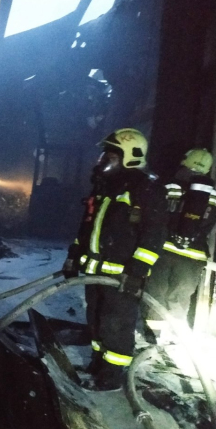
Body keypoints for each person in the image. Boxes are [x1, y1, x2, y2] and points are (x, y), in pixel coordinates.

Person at [63, 128, 167, 391]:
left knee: (116, 324)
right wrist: (73, 256)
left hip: (122, 275)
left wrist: (138, 271)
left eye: (110, 157)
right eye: (104, 156)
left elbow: (154, 234)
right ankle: (98, 364)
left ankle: (112, 377)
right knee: (96, 318)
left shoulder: (146, 189)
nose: (102, 162)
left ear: (130, 156)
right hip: (96, 270)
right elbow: (87, 226)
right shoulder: (106, 187)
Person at [144, 148, 216, 333]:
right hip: (194, 255)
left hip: (165, 249)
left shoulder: (169, 186)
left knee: (157, 294)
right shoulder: (212, 193)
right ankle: (174, 336)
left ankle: (154, 334)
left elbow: (156, 216)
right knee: (180, 298)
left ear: (185, 161)